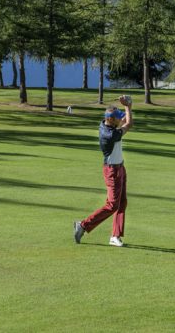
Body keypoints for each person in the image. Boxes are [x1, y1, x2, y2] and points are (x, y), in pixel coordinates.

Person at [73, 95, 133, 247]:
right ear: (111, 120)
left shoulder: (108, 125)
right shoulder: (111, 134)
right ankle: (83, 225)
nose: (122, 119)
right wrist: (128, 106)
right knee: (112, 205)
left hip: (120, 168)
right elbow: (129, 123)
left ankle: (115, 236)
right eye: (118, 118)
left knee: (122, 203)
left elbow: (125, 120)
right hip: (112, 171)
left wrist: (127, 106)